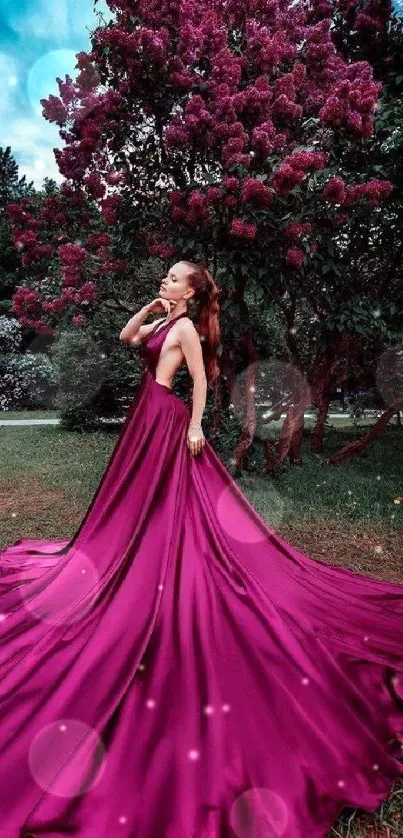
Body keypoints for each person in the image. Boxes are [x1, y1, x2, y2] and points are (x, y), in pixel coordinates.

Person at [0, 259, 403, 838]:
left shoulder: (188, 329)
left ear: (191, 291)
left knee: (171, 503)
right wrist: (149, 307)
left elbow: (204, 379)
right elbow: (126, 339)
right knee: (131, 502)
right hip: (145, 415)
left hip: (166, 417)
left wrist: (194, 426)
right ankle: (131, 546)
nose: (163, 281)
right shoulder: (165, 317)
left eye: (171, 279)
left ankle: (158, 558)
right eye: (164, 277)